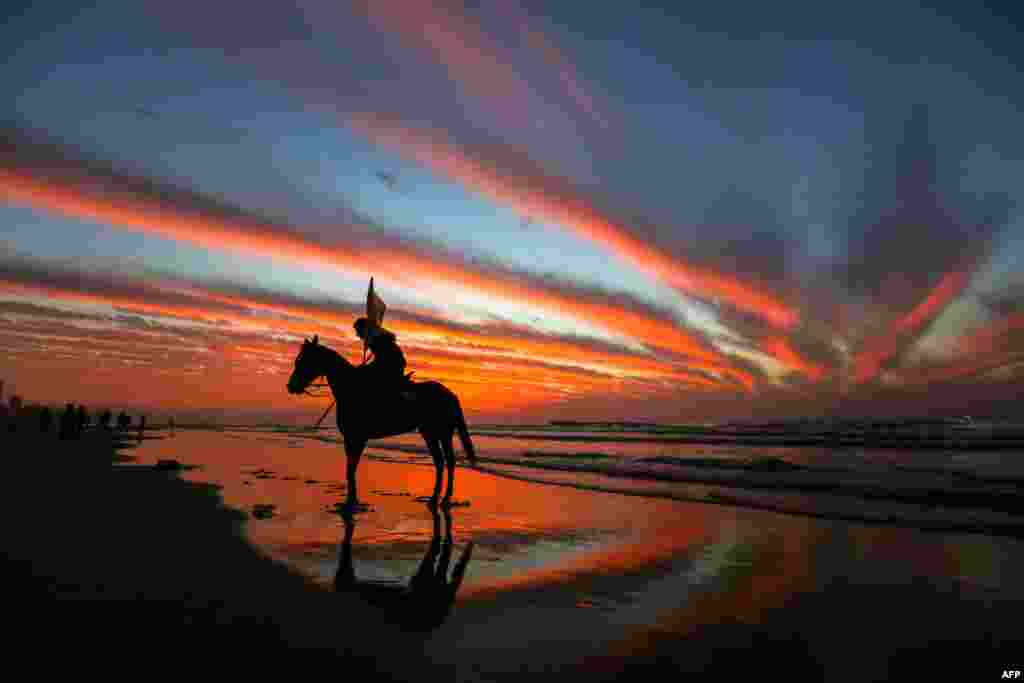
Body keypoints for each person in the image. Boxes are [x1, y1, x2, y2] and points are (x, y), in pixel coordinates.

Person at [353, 317, 410, 398]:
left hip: (393, 368)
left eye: (358, 331)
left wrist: (366, 368)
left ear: (364, 330)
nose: (358, 335)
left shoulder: (379, 340)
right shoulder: (377, 339)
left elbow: (383, 361)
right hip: (392, 366)